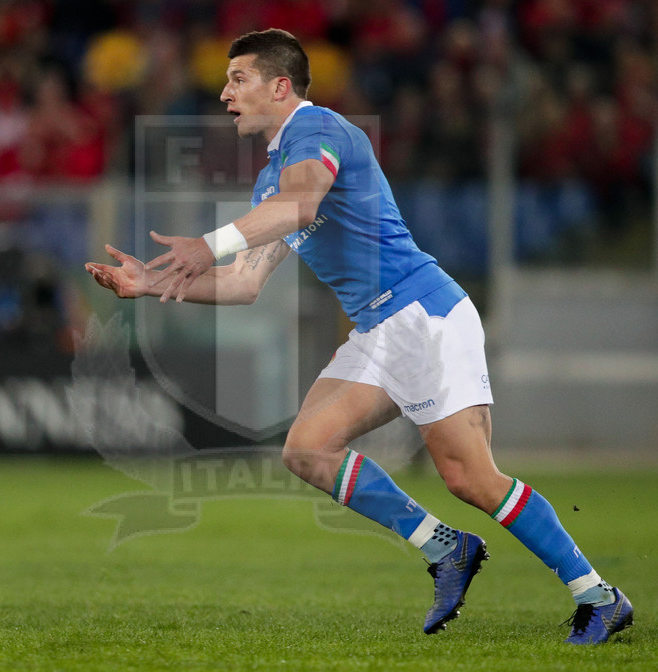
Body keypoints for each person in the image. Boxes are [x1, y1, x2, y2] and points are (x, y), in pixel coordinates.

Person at [85, 28, 633, 644]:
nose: (224, 92)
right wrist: (148, 285)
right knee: (307, 449)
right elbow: (243, 284)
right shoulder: (275, 177)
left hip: (423, 316)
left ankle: (600, 596)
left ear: (280, 85)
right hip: (379, 326)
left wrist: (206, 243)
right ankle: (446, 548)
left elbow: (298, 209)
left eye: (238, 79)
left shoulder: (319, 132)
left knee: (472, 479)